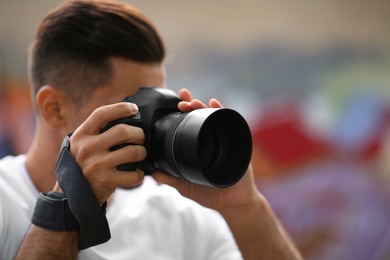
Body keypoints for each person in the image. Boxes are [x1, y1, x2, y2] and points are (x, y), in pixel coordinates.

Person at [0, 0, 302, 259]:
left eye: (159, 103)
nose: (152, 126)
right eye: (135, 107)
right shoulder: (5, 202)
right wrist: (71, 200)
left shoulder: (183, 219)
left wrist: (245, 209)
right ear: (54, 108)